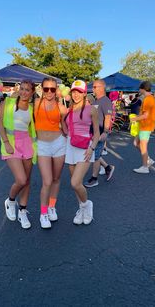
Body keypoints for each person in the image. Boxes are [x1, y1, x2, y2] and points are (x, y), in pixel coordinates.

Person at [0, 80, 37, 229]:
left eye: (28, 90)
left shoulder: (32, 108)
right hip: (11, 143)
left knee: (27, 181)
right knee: (20, 179)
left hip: (27, 144)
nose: (24, 92)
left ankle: (22, 211)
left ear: (32, 92)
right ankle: (11, 201)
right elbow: (0, 124)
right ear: (18, 89)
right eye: (22, 89)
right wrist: (6, 142)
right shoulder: (7, 102)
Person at [63, 80, 99, 225]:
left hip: (86, 148)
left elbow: (97, 133)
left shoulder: (92, 109)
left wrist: (92, 148)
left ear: (84, 94)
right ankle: (81, 208)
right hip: (71, 146)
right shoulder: (68, 110)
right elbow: (64, 126)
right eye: (74, 91)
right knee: (76, 184)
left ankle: (87, 205)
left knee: (75, 183)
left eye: (79, 92)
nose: (76, 94)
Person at [34, 77, 67, 229]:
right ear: (41, 89)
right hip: (42, 145)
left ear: (56, 90)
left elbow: (66, 126)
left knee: (56, 178)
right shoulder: (35, 103)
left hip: (59, 143)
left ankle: (52, 206)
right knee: (47, 181)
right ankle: (43, 213)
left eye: (52, 89)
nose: (49, 92)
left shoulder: (61, 107)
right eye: (46, 88)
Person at [84, 79, 115, 187]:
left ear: (102, 87)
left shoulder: (105, 101)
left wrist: (105, 132)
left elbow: (108, 117)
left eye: (95, 87)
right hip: (93, 133)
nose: (93, 89)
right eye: (93, 87)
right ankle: (108, 167)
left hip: (100, 133)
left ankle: (94, 178)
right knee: (94, 154)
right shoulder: (97, 101)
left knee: (95, 157)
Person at [131, 81, 155, 173]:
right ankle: (148, 160)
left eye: (139, 88)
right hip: (144, 126)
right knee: (135, 143)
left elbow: (145, 116)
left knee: (143, 147)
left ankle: (145, 167)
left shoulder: (148, 99)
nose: (139, 90)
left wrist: (135, 119)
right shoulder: (149, 98)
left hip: (146, 126)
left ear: (143, 89)